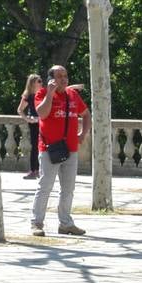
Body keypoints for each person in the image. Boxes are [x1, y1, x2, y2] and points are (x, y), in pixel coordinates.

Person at [31, 65, 89, 237]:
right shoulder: (42, 94)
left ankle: (66, 224)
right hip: (49, 149)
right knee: (45, 187)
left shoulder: (73, 95)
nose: (64, 79)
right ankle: (36, 223)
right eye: (59, 76)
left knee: (68, 189)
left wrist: (83, 133)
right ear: (51, 79)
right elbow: (42, 113)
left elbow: (86, 114)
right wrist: (50, 93)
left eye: (65, 75)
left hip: (70, 148)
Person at [17, 73, 42, 179]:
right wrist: (28, 119)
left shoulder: (44, 93)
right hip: (34, 124)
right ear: (33, 83)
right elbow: (20, 110)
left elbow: (60, 90)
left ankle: (43, 171)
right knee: (35, 147)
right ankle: (33, 170)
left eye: (41, 81)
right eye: (39, 81)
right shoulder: (28, 95)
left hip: (45, 123)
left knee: (47, 147)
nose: (41, 83)